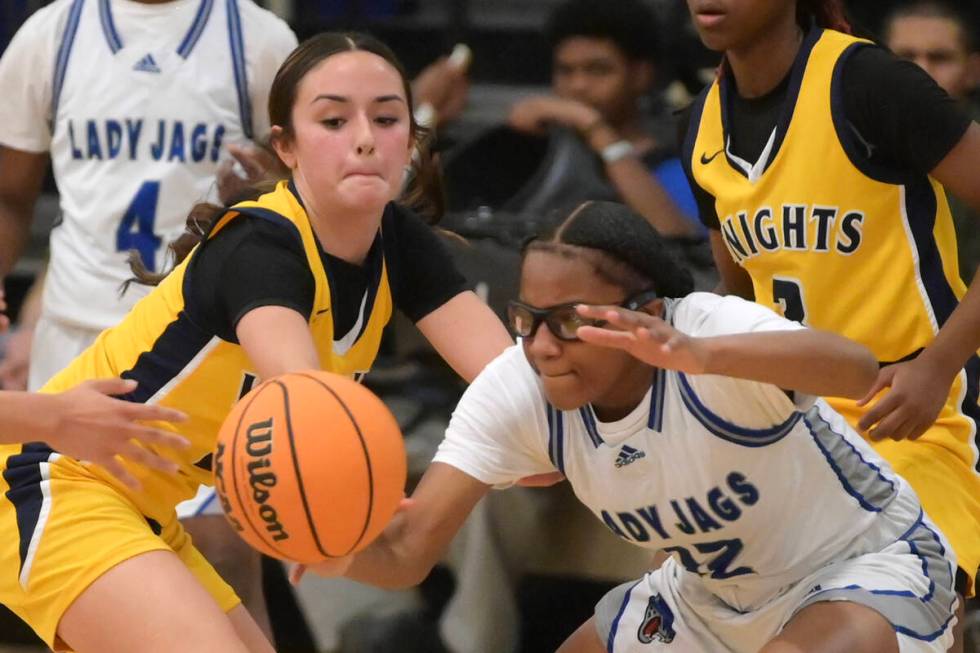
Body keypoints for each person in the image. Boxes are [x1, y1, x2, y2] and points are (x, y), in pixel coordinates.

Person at [0, 31, 511, 653]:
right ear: (286, 147)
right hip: (58, 484)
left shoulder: (399, 243)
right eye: (333, 119)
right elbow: (307, 411)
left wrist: (532, 438)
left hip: (154, 513)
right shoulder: (261, 247)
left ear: (411, 136)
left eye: (386, 117)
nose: (364, 137)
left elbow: (509, 388)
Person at [294, 200, 957, 652]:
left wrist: (701, 357)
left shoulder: (708, 332)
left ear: (645, 311)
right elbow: (409, 547)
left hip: (863, 564)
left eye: (571, 320)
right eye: (528, 318)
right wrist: (324, 545)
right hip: (707, 598)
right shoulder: (519, 385)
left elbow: (855, 368)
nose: (544, 344)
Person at [678, 0, 980, 649]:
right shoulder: (700, 128)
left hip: (912, 418)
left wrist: (936, 366)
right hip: (787, 435)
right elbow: (738, 308)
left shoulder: (869, 83)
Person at [506, 0, 701, 238]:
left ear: (641, 75)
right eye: (566, 71)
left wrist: (595, 129)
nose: (578, 85)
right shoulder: (543, 148)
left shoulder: (676, 163)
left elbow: (675, 235)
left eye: (598, 70)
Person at [882, 0, 980, 279]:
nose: (920, 71)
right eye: (905, 57)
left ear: (973, 71)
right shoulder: (849, 137)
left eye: (939, 58)